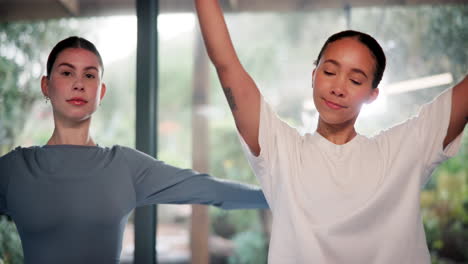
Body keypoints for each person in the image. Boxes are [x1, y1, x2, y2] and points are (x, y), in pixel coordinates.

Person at [194, 1, 467, 263]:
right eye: (329, 71)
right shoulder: (281, 150)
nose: (338, 87)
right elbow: (227, 65)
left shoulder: (405, 149)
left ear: (372, 95)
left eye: (355, 79)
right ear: (313, 76)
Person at [0, 36, 269, 264]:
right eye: (67, 72)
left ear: (101, 92)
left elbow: (211, 189)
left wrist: (284, 194)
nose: (79, 83)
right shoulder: (15, 169)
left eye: (89, 75)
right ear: (46, 85)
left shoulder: (125, 167)